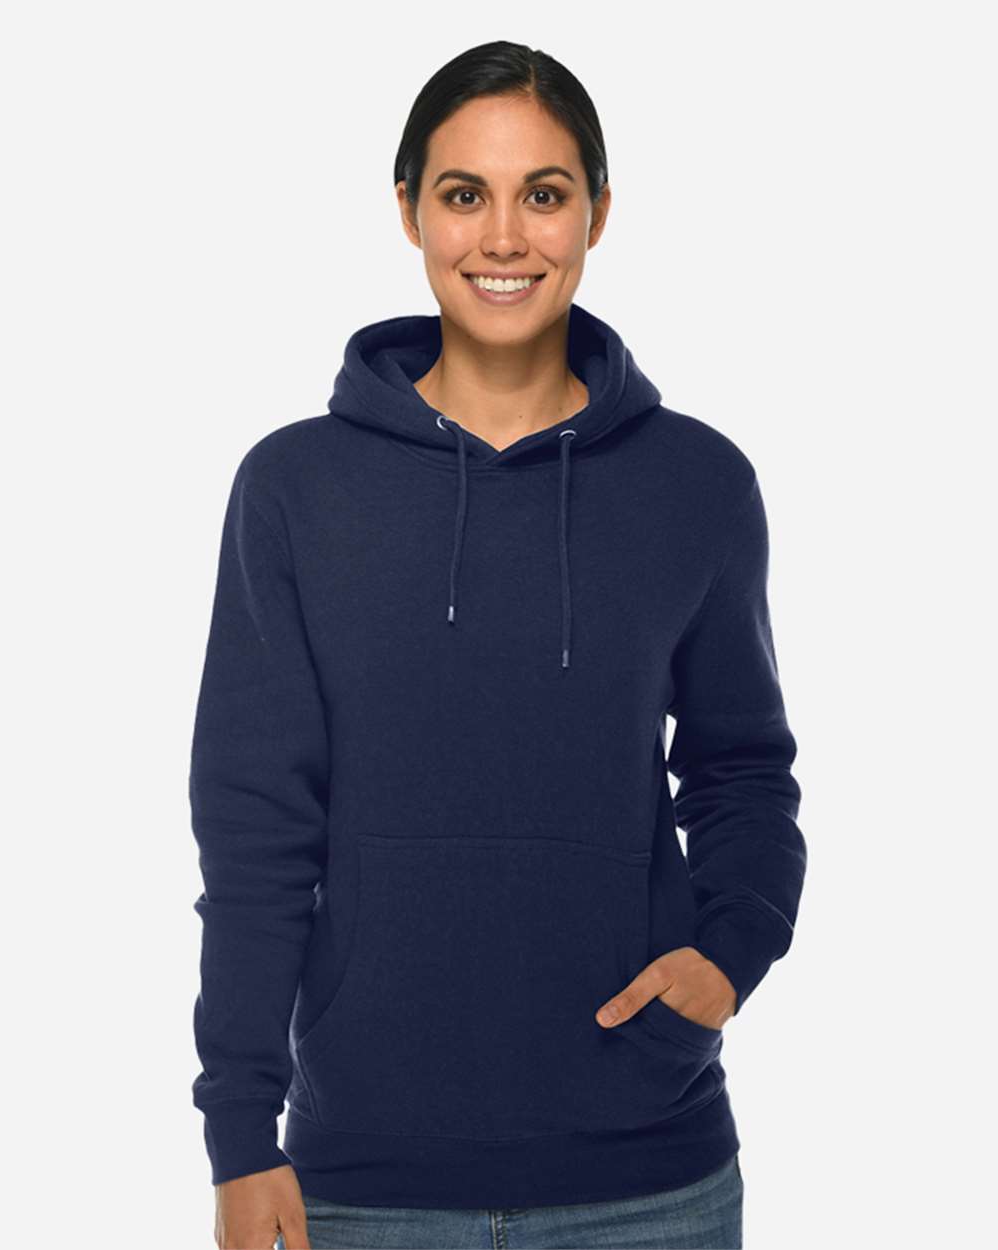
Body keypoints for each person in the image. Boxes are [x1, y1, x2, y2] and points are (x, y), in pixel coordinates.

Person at [188, 39, 806, 1250]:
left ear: (598, 213)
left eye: (545, 193)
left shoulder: (696, 484)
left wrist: (728, 954)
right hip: (362, 1181)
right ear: (410, 209)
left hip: (650, 1178)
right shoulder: (296, 488)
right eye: (465, 193)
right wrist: (240, 1133)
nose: (505, 236)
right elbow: (255, 826)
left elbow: (742, 768)